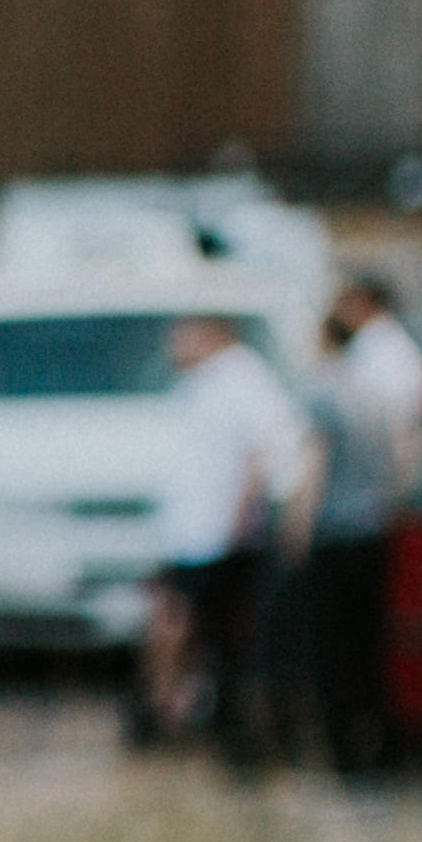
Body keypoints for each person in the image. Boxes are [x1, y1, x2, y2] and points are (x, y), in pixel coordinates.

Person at [139, 311, 316, 757]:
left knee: (181, 622)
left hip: (215, 535)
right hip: (193, 531)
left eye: (183, 333)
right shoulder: (202, 382)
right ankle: (174, 710)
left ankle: (171, 712)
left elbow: (264, 450)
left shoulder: (240, 379)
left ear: (211, 332)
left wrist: (240, 515)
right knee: (186, 624)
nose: (173, 343)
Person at [309, 276, 422, 772]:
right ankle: (375, 742)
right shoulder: (390, 356)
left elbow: (402, 442)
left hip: (352, 520)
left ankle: (355, 746)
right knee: (365, 639)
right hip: (373, 517)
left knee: (344, 641)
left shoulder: (375, 361)